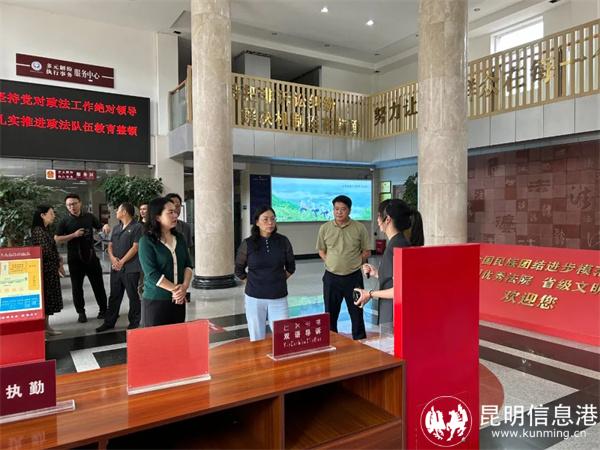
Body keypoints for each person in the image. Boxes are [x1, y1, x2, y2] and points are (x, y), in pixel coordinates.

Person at [353, 199, 424, 324]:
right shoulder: (398, 242)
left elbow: (399, 290)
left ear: (388, 219)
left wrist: (369, 294)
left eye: (379, 216)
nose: (377, 220)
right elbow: (397, 279)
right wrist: (377, 274)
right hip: (393, 311)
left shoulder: (396, 246)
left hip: (394, 314)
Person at [235, 206, 295, 341]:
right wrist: (253, 282)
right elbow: (239, 270)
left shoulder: (283, 241)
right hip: (254, 297)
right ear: (257, 222)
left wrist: (277, 279)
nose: (270, 223)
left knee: (283, 336)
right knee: (256, 336)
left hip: (278, 296)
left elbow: (291, 267)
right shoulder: (248, 243)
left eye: (273, 219)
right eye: (265, 219)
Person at [316, 195, 370, 340]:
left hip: (353, 277)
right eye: (336, 209)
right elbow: (321, 250)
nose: (339, 212)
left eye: (343, 209)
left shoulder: (359, 228)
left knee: (356, 312)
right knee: (330, 313)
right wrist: (331, 262)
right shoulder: (325, 228)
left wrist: (355, 262)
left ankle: (360, 340)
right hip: (331, 277)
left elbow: (366, 251)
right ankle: (330, 340)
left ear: (349, 210)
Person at [138, 197, 193, 327]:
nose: (175, 215)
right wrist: (176, 289)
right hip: (156, 300)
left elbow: (188, 265)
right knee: (156, 338)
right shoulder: (146, 241)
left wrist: (184, 287)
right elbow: (151, 274)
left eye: (175, 211)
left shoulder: (180, 238)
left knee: (177, 336)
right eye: (170, 212)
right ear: (157, 217)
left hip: (178, 299)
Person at [55, 194, 110, 323]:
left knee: (98, 285)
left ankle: (103, 310)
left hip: (91, 256)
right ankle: (81, 312)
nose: (72, 207)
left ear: (80, 203)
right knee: (77, 287)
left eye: (74, 203)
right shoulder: (64, 221)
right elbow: (57, 238)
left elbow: (100, 227)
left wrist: (105, 226)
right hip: (74, 259)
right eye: (69, 205)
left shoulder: (89, 217)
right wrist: (73, 235)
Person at [96, 203, 143, 332]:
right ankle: (109, 322)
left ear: (125, 212)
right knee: (114, 295)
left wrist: (122, 261)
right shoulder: (116, 228)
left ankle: (134, 322)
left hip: (131, 268)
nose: (116, 212)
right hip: (116, 267)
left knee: (132, 295)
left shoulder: (137, 227)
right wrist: (112, 258)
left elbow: (136, 247)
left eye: (118, 210)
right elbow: (110, 245)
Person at [31, 205, 64, 336]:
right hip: (45, 271)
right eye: (51, 213)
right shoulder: (38, 231)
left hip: (50, 270)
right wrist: (58, 261)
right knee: (46, 300)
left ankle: (47, 327)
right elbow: (46, 252)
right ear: (42, 215)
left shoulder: (45, 229)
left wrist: (58, 260)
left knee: (49, 301)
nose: (53, 216)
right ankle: (42, 329)